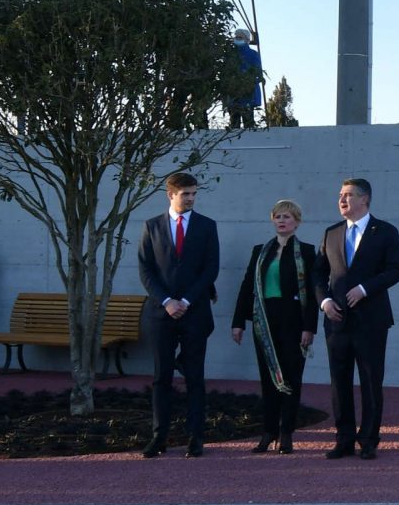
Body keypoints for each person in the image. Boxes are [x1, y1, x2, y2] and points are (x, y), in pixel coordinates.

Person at [318, 177, 399, 459]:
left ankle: (368, 439)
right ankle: (343, 439)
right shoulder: (331, 233)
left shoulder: (386, 232)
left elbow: (397, 269)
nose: (342, 200)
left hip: (371, 321)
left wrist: (365, 289)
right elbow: (318, 274)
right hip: (336, 321)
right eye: (340, 195)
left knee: (370, 380)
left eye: (348, 195)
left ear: (365, 199)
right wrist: (325, 302)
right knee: (339, 382)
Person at [136, 171, 219, 457]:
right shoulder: (152, 226)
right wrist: (167, 301)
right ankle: (159, 437)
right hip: (161, 315)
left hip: (195, 312)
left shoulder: (207, 226)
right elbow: (146, 270)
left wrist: (184, 300)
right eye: (186, 194)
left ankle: (195, 437)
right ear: (171, 194)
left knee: (195, 377)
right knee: (162, 377)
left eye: (194, 193)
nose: (191, 198)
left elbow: (210, 268)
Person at [230, 198, 322, 453]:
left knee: (291, 377)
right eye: (278, 216)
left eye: (287, 217)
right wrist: (238, 322)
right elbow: (247, 287)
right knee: (269, 376)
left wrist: (309, 327)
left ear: (297, 222)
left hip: (294, 321)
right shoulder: (260, 251)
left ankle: (286, 432)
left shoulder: (307, 252)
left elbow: (313, 291)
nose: (282, 221)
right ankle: (269, 431)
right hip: (264, 320)